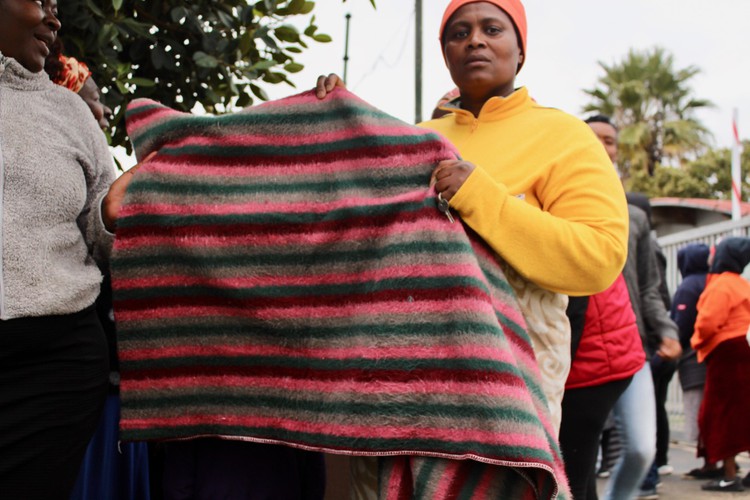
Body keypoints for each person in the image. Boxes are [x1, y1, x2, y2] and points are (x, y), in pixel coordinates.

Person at [317, 0, 629, 437]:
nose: (475, 40)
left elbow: (599, 257)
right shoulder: (419, 140)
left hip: (510, 392)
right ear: (445, 55)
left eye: (493, 30)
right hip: (405, 381)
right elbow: (357, 231)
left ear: (521, 50)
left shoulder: (564, 137)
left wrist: (484, 198)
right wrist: (335, 125)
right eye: (459, 33)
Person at [0, 1, 142, 497]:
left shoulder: (69, 112)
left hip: (56, 366)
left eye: (58, 7)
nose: (53, 19)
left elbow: (99, 236)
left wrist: (111, 214)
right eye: (40, 1)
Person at [583, 116, 682, 500]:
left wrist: (668, 332)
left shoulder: (635, 218)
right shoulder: (554, 205)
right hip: (576, 348)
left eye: (611, 141)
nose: (604, 147)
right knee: (581, 454)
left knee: (641, 449)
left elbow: (650, 288)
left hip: (631, 347)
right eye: (594, 139)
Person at [560, 276, 644, 500]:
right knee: (581, 477)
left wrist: (556, 375)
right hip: (607, 349)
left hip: (587, 362)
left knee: (569, 483)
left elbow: (574, 304)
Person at [691, 237, 750, 492]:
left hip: (726, 353)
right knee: (745, 412)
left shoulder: (721, 285)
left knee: (725, 414)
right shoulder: (742, 284)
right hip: (744, 348)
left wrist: (696, 341)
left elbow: (707, 323)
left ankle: (729, 475)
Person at [670, 243, 726, 480]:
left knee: (699, 411)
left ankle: (710, 463)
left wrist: (673, 346)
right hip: (716, 356)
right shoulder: (716, 282)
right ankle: (715, 461)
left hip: (694, 358)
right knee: (714, 411)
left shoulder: (689, 286)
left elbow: (681, 325)